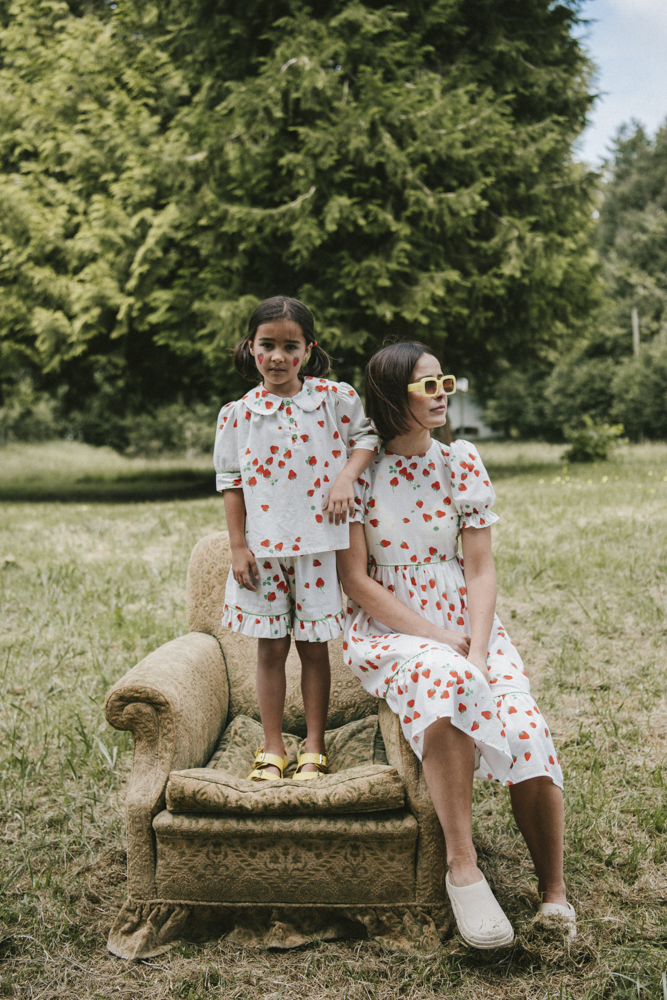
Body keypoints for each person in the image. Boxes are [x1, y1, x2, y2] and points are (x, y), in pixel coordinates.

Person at [336, 341, 576, 949]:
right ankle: (462, 868)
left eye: (444, 382)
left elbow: (480, 569)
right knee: (448, 681)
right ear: (393, 396)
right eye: (426, 385)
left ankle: (554, 896)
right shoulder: (357, 474)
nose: (441, 393)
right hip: (394, 631)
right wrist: (441, 639)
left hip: (470, 624)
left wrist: (476, 642)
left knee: (524, 729)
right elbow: (355, 581)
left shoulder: (461, 461)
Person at [214, 296, 379, 781]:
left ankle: (313, 747)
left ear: (308, 350)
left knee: (313, 649)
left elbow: (366, 439)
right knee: (270, 650)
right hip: (264, 551)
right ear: (251, 348)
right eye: (268, 346)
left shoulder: (333, 399)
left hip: (318, 548)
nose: (279, 357)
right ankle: (271, 749)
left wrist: (345, 478)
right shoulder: (238, 414)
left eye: (291, 346)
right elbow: (231, 483)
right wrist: (238, 546)